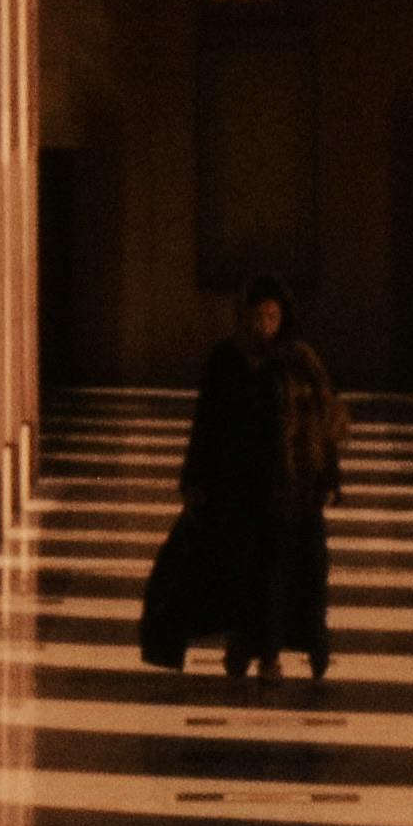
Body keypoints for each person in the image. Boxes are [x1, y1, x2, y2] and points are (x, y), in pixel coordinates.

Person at [137, 274, 347, 686]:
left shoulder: (299, 361)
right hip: (234, 488)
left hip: (286, 489)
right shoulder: (227, 359)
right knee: (239, 572)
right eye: (257, 316)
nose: (264, 324)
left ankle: (267, 654)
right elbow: (207, 422)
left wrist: (327, 477)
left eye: (272, 315)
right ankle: (240, 645)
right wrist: (194, 478)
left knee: (276, 573)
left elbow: (320, 425)